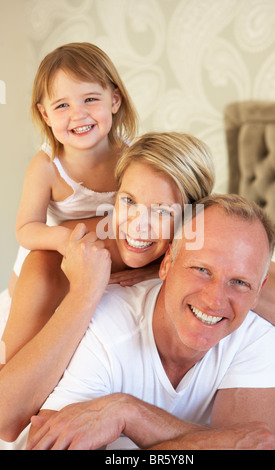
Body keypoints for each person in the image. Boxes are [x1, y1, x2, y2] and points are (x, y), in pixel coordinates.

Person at [0, 131, 215, 443]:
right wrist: (85, 292)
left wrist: (161, 268)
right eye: (128, 201)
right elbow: (6, 420)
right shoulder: (50, 261)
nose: (138, 225)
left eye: (162, 211)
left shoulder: (193, 251)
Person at [26, 194, 275, 450]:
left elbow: (258, 447)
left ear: (258, 291)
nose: (215, 301)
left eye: (240, 282)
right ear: (167, 263)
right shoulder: (106, 321)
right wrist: (218, 442)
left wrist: (130, 414)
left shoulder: (253, 331)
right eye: (202, 270)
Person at [7, 41, 138, 301]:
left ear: (114, 100)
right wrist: (64, 240)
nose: (78, 115)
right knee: (28, 306)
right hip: (51, 256)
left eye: (90, 99)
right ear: (46, 115)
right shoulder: (47, 166)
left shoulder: (133, 157)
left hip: (101, 257)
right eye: (62, 106)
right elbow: (26, 227)